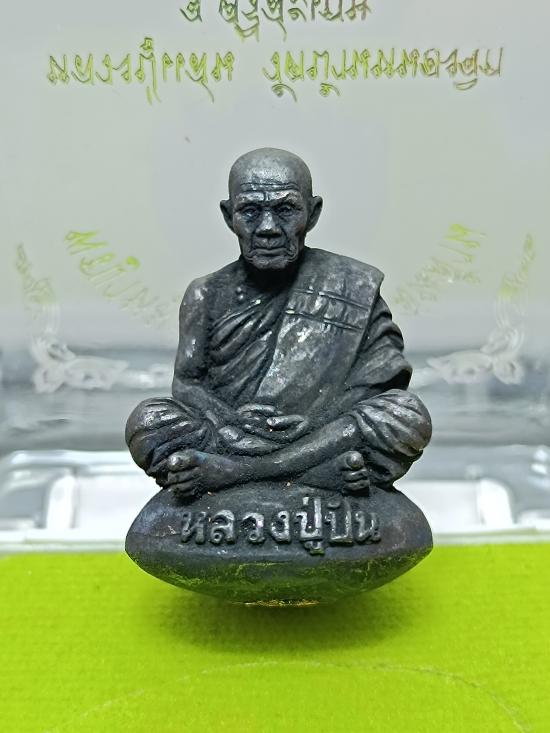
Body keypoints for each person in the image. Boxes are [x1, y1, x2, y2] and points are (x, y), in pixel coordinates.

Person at [125, 148, 431, 499]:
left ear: (312, 213)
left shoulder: (353, 285)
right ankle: (316, 475)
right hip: (238, 434)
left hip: (320, 433)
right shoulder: (206, 294)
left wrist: (317, 423)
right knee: (148, 421)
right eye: (250, 211)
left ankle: (235, 474)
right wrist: (230, 422)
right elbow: (187, 383)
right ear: (228, 216)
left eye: (285, 210)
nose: (268, 228)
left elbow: (378, 384)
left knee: (405, 415)